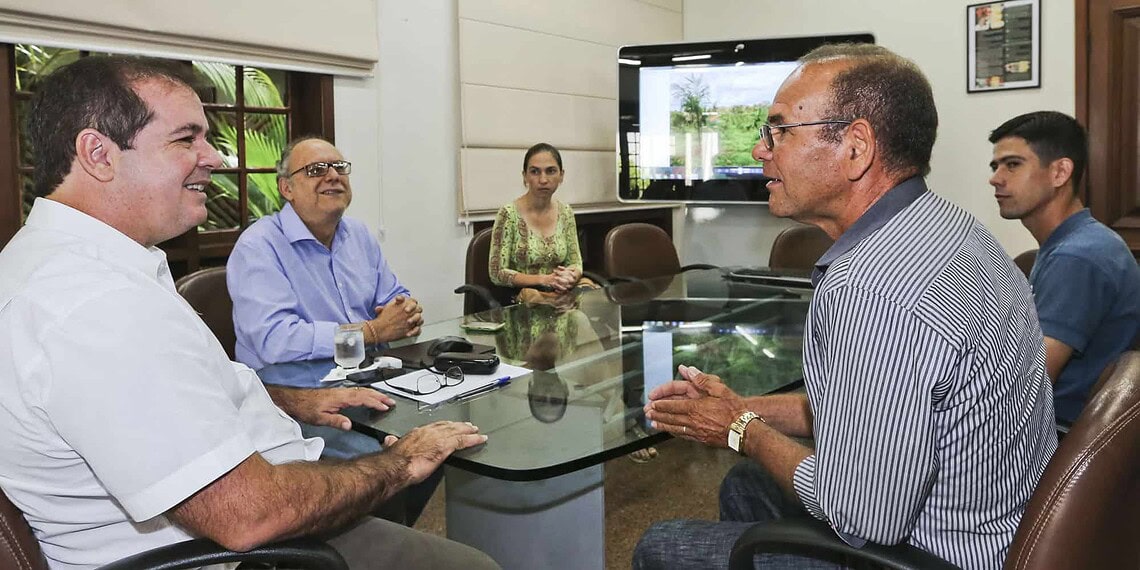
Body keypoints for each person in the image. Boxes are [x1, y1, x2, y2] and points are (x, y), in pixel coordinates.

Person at [0, 55, 498, 569]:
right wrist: (396, 465)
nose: (213, 157)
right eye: (185, 139)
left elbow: (179, 396)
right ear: (98, 154)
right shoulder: (93, 304)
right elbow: (246, 515)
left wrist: (287, 401)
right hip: (240, 551)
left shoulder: (75, 266)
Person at [633, 44, 1057, 569]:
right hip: (1004, 526)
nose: (760, 149)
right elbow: (866, 413)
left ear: (856, 147)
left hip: (934, 555)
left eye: (779, 131)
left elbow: (862, 514)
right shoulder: (956, 228)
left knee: (659, 545)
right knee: (747, 483)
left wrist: (738, 430)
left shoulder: (873, 289)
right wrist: (742, 408)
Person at [988, 111, 1140, 424]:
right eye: (996, 165)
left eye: (1013, 164)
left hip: (1057, 438)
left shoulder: (1078, 256)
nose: (996, 177)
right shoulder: (1069, 243)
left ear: (1060, 172)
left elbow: (1028, 384)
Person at [227, 136, 423, 371]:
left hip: (367, 374)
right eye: (316, 170)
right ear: (287, 188)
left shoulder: (358, 234)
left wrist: (405, 312)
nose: (333, 176)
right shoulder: (257, 246)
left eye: (340, 167)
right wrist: (371, 332)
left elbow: (394, 297)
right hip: (290, 391)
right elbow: (276, 341)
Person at [488, 142, 594, 306]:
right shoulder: (508, 214)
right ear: (525, 176)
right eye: (535, 171)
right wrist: (544, 279)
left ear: (561, 175)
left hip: (562, 297)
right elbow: (497, 273)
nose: (543, 179)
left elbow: (575, 262)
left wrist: (571, 275)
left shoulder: (565, 212)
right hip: (524, 302)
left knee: (592, 297)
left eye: (551, 171)